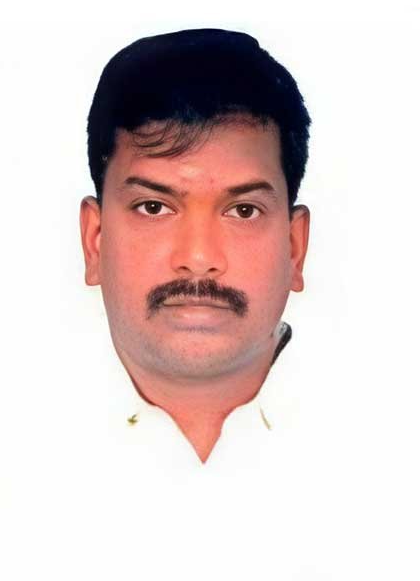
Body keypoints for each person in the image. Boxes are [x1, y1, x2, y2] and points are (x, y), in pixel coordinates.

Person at [80, 28, 312, 465]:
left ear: (295, 247)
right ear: (94, 241)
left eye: (243, 211)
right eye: (154, 207)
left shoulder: (406, 445)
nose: (199, 259)